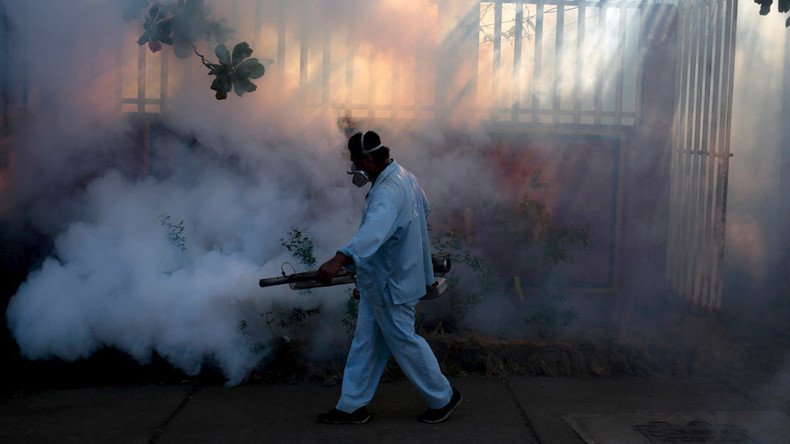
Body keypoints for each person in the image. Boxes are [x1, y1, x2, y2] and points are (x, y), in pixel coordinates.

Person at [316, 130, 462, 425]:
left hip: (391, 284)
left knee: (404, 341)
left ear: (368, 160)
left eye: (356, 161)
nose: (355, 169)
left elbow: (372, 233)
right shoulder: (405, 176)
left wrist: (339, 259)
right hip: (381, 280)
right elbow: (424, 207)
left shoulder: (387, 192)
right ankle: (351, 406)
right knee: (366, 341)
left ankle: (443, 396)